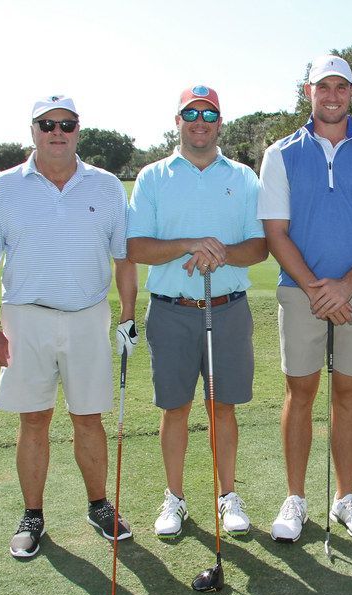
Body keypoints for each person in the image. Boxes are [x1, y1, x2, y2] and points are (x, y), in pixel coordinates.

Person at [0, 95, 139, 559]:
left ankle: (99, 505)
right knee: (34, 418)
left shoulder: (105, 187)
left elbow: (124, 257)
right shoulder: (4, 187)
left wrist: (128, 314)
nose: (57, 132)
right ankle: (33, 515)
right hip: (26, 318)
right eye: (47, 124)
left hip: (88, 316)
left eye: (66, 123)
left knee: (89, 417)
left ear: (78, 131)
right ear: (33, 131)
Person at [258, 55, 352, 542]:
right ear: (309, 93)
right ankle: (296, 499)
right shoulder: (280, 153)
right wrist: (318, 290)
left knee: (347, 394)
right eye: (324, 87)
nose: (333, 95)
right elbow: (276, 233)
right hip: (300, 292)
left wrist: (345, 285)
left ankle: (345, 498)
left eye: (341, 87)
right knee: (299, 393)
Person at [127, 85, 266, 539]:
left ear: (220, 122)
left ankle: (227, 496)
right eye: (191, 112)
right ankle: (175, 499)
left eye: (209, 113)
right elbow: (136, 247)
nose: (200, 121)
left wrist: (221, 253)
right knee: (174, 409)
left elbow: (260, 246)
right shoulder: (152, 177)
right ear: (178, 120)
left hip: (227, 310)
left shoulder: (244, 177)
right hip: (171, 312)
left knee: (223, 408)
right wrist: (190, 244)